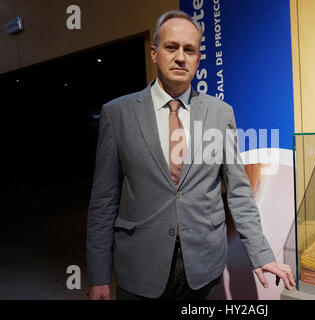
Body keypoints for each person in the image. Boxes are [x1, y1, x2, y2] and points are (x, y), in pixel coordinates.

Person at [87, 10, 295, 300]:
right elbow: (103, 202)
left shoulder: (220, 113)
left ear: (198, 59)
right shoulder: (117, 114)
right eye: (171, 47)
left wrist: (261, 254)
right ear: (154, 52)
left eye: (190, 50)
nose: (181, 57)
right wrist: (98, 276)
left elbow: (239, 192)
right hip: (139, 266)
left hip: (204, 268)